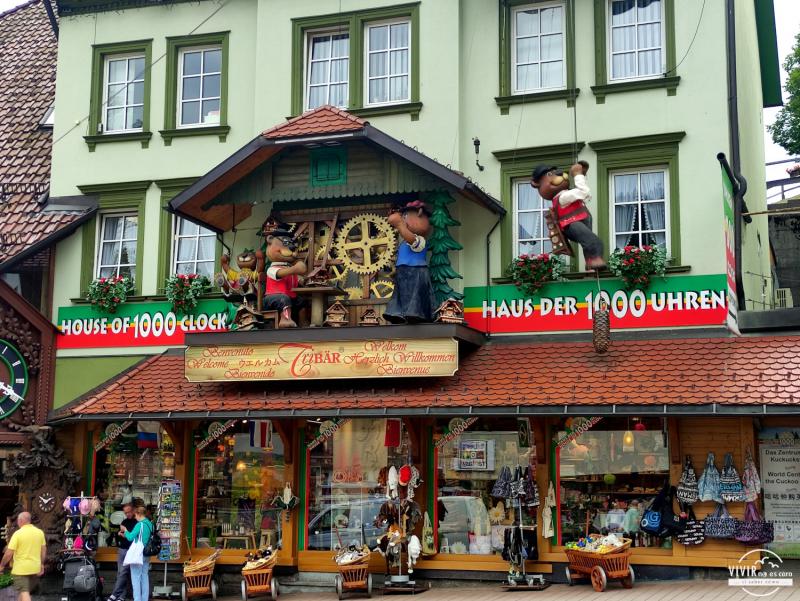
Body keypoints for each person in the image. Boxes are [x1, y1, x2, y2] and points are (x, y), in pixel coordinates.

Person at [531, 162, 606, 270]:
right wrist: (578, 175)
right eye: (550, 174)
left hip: (578, 222)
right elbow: (584, 192)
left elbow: (587, 196)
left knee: (587, 242)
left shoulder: (567, 193)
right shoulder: (563, 197)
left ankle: (590, 262)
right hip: (572, 224)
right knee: (593, 241)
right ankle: (594, 259)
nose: (560, 174)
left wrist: (582, 175)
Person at [0, 512, 46, 601]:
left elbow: (9, 553)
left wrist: (1, 565)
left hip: (21, 570)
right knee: (24, 592)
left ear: (20, 521)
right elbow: (43, 550)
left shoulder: (18, 534)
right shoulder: (39, 533)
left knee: (24, 593)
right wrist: (42, 564)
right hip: (35, 569)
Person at [120, 507, 153, 601]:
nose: (135, 517)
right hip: (147, 553)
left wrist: (125, 530)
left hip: (138, 554)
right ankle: (144, 599)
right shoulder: (150, 524)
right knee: (144, 576)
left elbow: (130, 537)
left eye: (135, 515)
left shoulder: (140, 524)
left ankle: (137, 599)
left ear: (139, 514)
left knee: (136, 578)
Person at [107, 503, 136, 601]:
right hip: (122, 549)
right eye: (126, 512)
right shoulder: (124, 521)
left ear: (133, 511)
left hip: (131, 550)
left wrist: (125, 533)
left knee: (124, 573)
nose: (127, 514)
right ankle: (121, 596)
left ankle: (115, 595)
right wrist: (119, 533)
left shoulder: (137, 522)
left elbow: (133, 537)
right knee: (120, 573)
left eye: (129, 512)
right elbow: (122, 533)